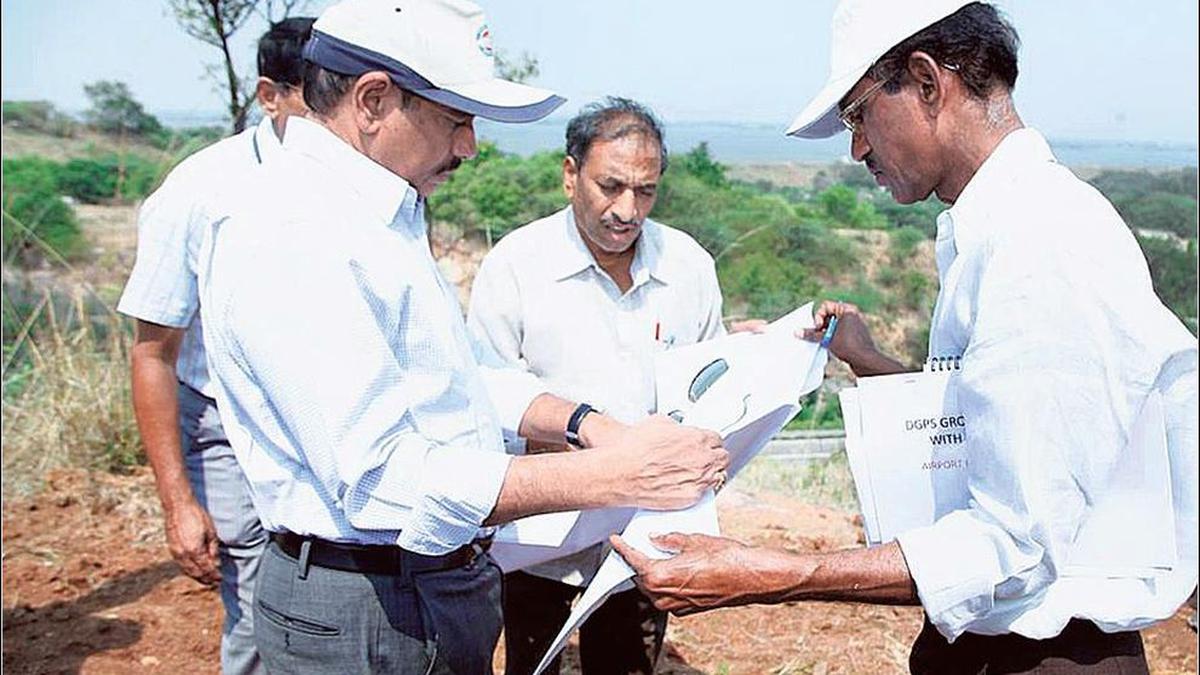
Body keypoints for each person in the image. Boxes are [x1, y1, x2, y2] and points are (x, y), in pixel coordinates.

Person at [613, 1, 1198, 673]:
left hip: (1050, 654)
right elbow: (994, 432)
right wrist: (874, 364)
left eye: (858, 114)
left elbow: (1015, 544)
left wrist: (772, 573)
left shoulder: (1040, 246)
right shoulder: (997, 227)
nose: (857, 147)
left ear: (926, 82)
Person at [195, 2, 729, 673]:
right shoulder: (294, 234)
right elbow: (381, 479)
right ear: (373, 100)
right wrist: (613, 474)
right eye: (457, 119)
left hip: (424, 582)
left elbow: (462, 377)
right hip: (367, 597)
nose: (470, 145)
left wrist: (589, 426)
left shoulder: (378, 214)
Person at [468, 97, 737, 675]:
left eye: (645, 191)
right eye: (609, 186)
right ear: (570, 175)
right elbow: (486, 387)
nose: (627, 209)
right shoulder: (517, 263)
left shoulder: (687, 265)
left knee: (628, 664)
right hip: (539, 536)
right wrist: (585, 430)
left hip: (643, 533)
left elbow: (708, 380)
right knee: (533, 664)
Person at [117, 17, 315, 675]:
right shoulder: (199, 193)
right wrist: (179, 503)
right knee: (261, 606)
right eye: (318, 104)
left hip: (321, 426)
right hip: (223, 428)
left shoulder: (361, 186)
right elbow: (153, 353)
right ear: (270, 95)